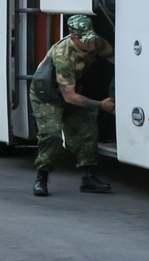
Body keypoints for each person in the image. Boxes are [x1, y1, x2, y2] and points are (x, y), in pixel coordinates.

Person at [30, 14, 115, 196]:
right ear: (73, 38)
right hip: (48, 95)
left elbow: (117, 59)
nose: (90, 44)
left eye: (91, 38)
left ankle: (88, 179)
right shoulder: (63, 56)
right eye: (85, 40)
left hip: (70, 90)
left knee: (86, 130)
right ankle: (41, 178)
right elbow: (70, 98)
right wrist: (101, 105)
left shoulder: (95, 41)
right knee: (51, 135)